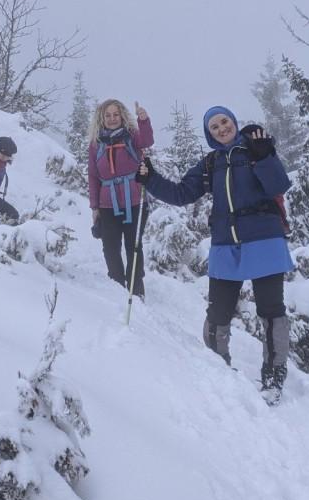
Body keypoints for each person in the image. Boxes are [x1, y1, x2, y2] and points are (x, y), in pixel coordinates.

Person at [137, 106, 295, 401]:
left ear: (234, 121)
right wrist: (151, 179)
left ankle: (274, 378)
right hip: (226, 243)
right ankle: (218, 369)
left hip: (264, 240)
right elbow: (182, 194)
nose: (222, 129)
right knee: (218, 312)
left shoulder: (255, 149)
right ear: (209, 134)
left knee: (271, 311)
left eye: (224, 122)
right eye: (214, 127)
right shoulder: (210, 163)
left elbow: (279, 184)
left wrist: (263, 155)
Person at [88, 99, 154, 299]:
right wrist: (94, 207)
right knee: (110, 246)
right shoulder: (96, 144)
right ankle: (116, 285)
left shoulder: (132, 136)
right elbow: (92, 175)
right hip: (107, 203)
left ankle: (136, 288)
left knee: (133, 245)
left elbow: (147, 141)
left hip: (135, 200)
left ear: (122, 116)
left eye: (116, 114)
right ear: (102, 118)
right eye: (107, 115)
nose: (112, 118)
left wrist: (143, 120)